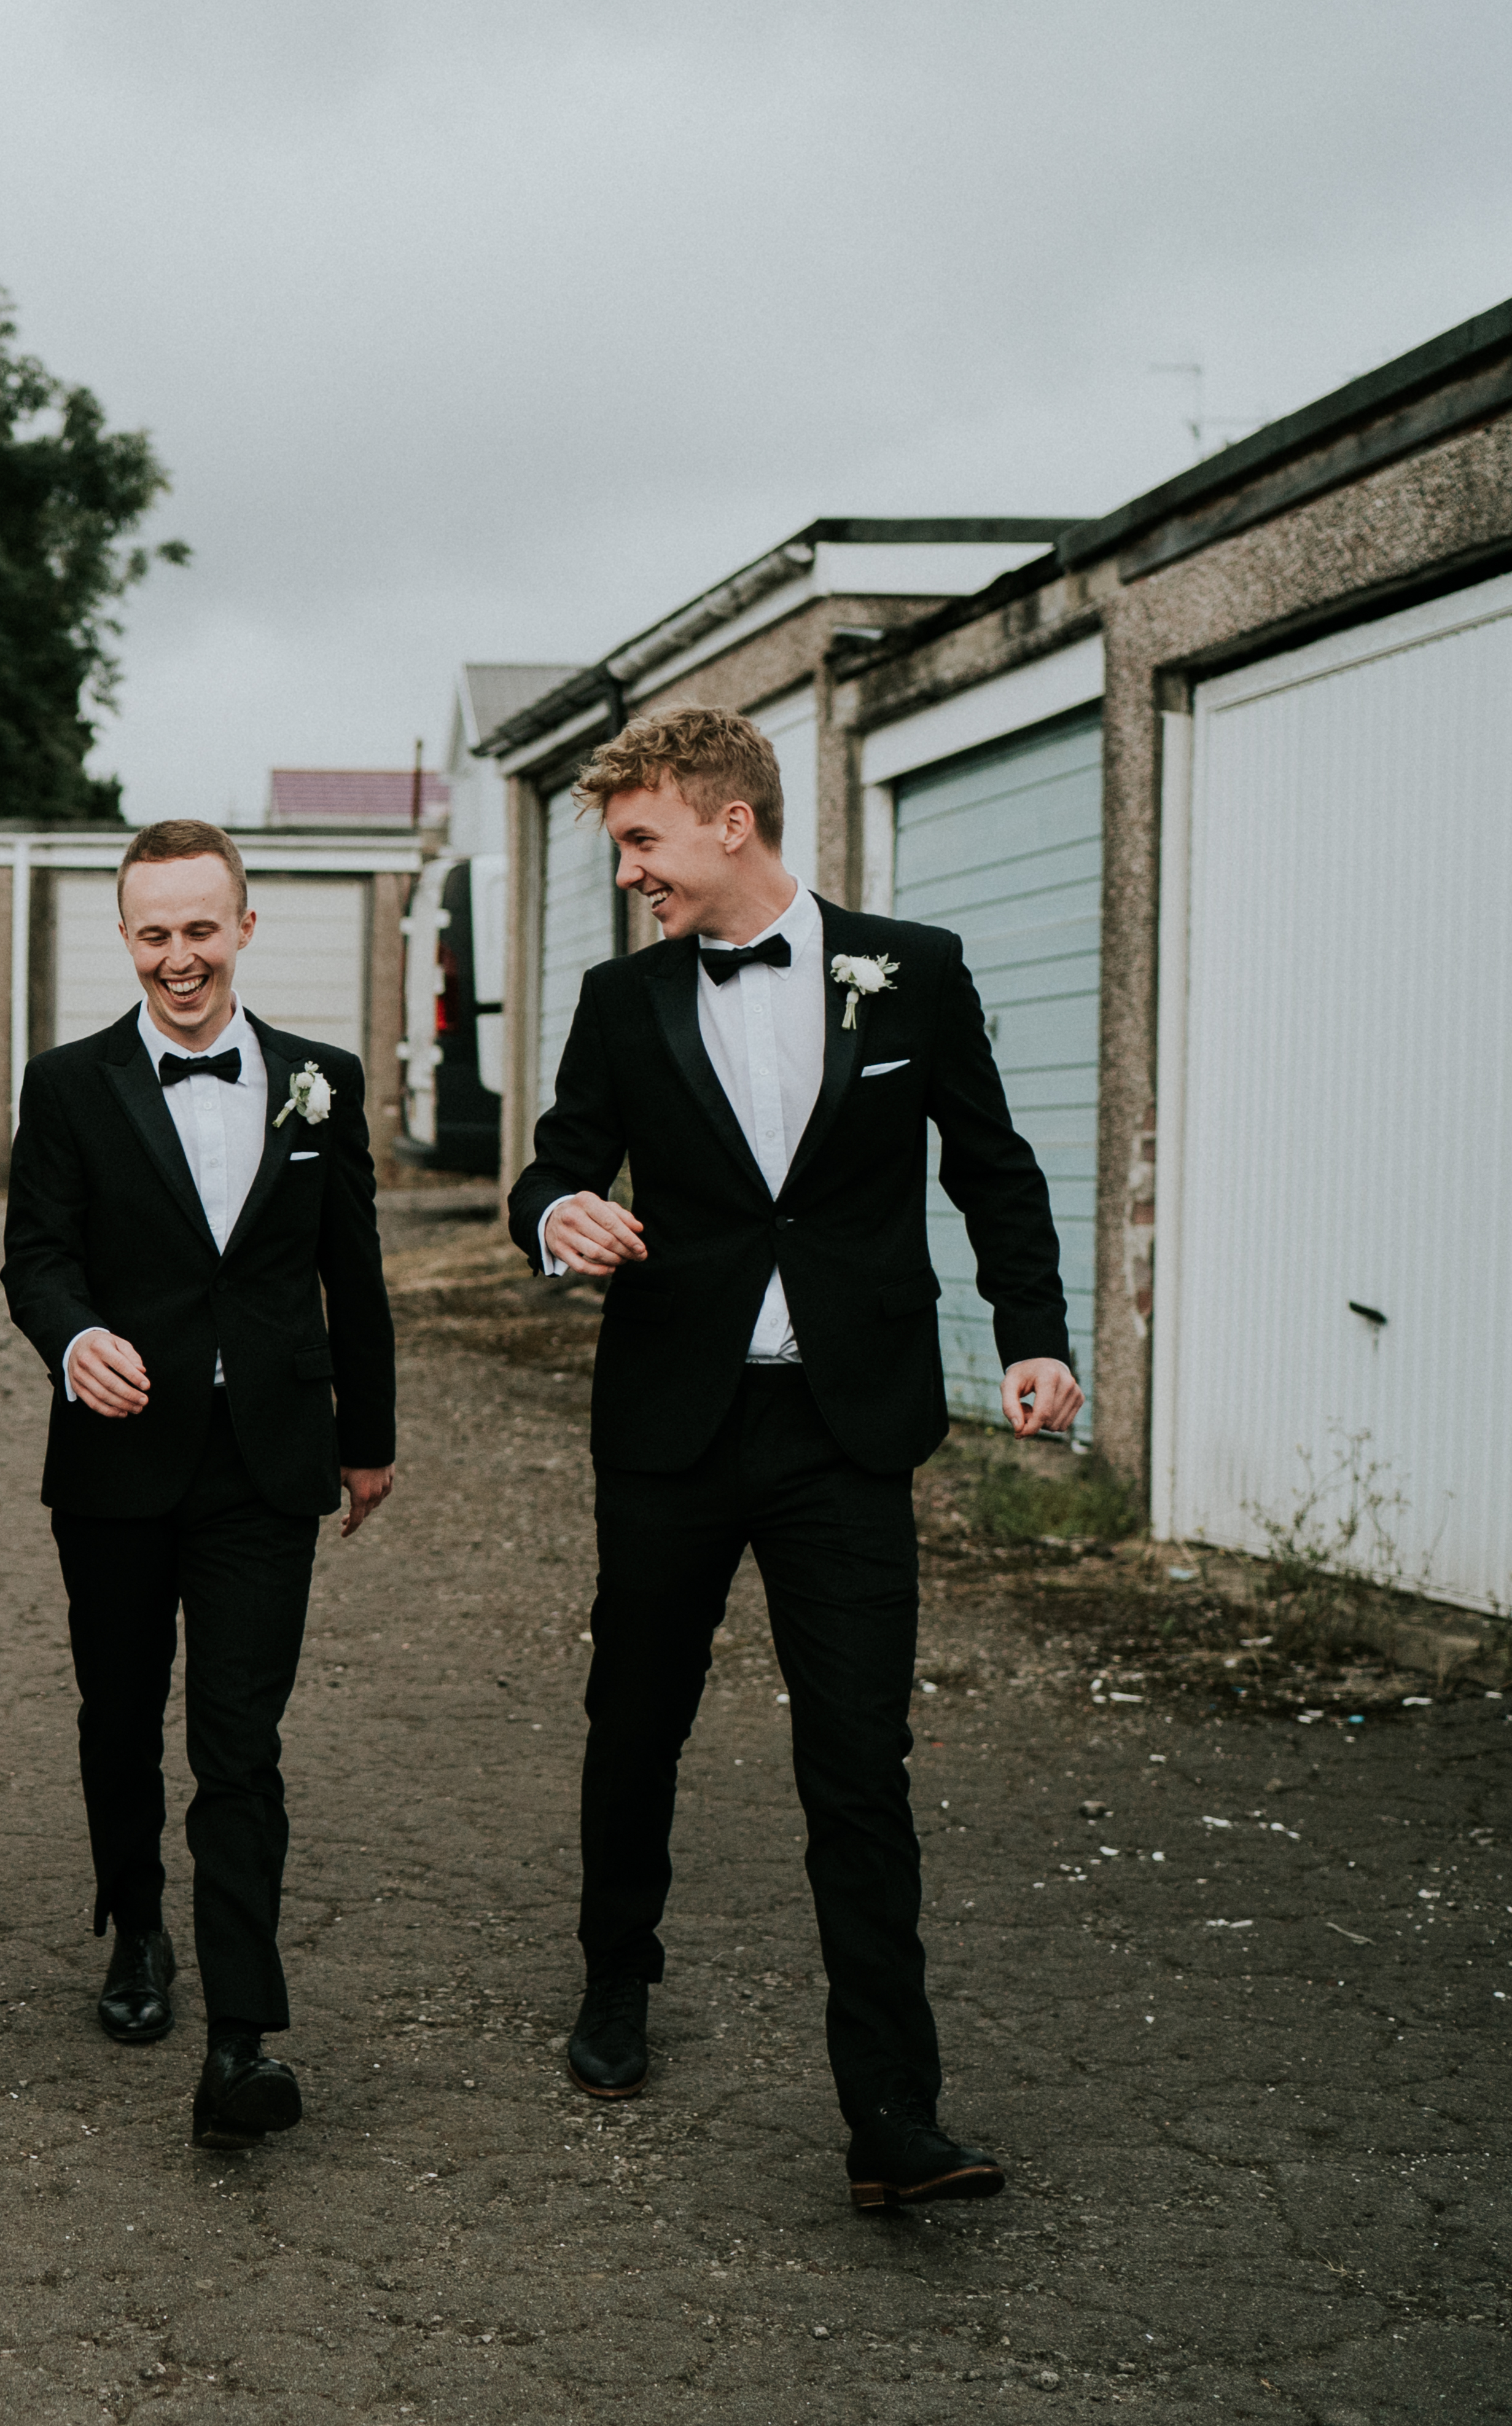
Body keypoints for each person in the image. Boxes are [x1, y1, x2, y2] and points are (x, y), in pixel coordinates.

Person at [509, 705, 1078, 2212]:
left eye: (641, 840)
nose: (631, 870)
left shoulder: (913, 970)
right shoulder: (619, 1001)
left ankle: (892, 2108)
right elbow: (557, 1159)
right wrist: (556, 1215)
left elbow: (992, 1162)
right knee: (634, 1719)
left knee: (858, 1761)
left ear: (729, 821)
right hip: (671, 1428)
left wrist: (1036, 1331)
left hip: (847, 1428)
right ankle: (615, 1978)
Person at [0, 819, 398, 2149]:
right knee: (120, 1713)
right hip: (116, 1458)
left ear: (243, 925)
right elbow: (36, 1260)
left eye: (200, 928)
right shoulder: (63, 1087)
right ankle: (134, 1926)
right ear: (126, 939)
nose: (180, 956)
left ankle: (241, 2037)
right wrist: (74, 1337)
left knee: (239, 1742)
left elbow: (354, 1271)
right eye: (154, 933)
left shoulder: (321, 1083)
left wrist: (369, 1433)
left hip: (265, 1466)